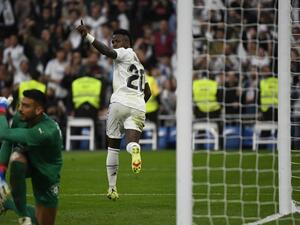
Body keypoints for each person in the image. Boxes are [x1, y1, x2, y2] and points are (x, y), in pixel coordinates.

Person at [76, 21, 151, 200]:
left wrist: (88, 36)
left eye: (115, 41)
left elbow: (107, 52)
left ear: (126, 42)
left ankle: (112, 188)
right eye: (112, 41)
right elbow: (147, 92)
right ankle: (134, 150)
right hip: (138, 105)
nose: (113, 44)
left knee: (113, 147)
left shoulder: (124, 53)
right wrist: (137, 102)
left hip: (119, 102)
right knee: (133, 142)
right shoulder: (140, 66)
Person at [0, 89, 63, 225]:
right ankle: (23, 216)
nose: (20, 109)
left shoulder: (46, 131)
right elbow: (7, 141)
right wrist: (1, 175)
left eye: (26, 106)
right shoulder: (20, 117)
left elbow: (3, 133)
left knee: (43, 222)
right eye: (21, 104)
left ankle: (8, 203)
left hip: (47, 171)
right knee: (16, 159)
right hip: (28, 160)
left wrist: (1, 109)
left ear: (39, 110)